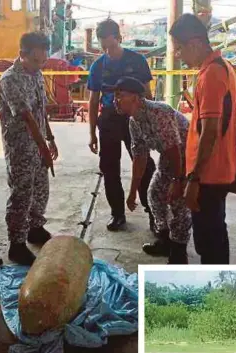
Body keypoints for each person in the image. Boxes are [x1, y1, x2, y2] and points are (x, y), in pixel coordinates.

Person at [169, 14, 236, 264]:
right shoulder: (225, 67)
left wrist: (194, 178)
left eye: (179, 48)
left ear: (196, 44)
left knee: (207, 241)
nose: (178, 54)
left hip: (208, 175)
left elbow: (209, 130)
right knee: (217, 234)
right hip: (221, 170)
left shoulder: (210, 75)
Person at [108, 76, 191, 264]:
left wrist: (178, 181)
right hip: (169, 155)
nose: (116, 101)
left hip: (188, 155)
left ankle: (179, 250)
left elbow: (174, 150)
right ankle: (164, 239)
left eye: (120, 96)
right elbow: (140, 157)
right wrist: (131, 194)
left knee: (178, 202)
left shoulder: (158, 113)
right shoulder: (134, 121)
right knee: (155, 194)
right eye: (115, 96)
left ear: (136, 98)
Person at [87, 18, 156, 232]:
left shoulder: (137, 61)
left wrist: (150, 123)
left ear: (119, 38)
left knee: (145, 166)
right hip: (108, 120)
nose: (108, 50)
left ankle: (153, 212)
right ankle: (117, 214)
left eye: (111, 44)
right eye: (103, 46)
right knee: (109, 168)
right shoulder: (98, 66)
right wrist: (92, 134)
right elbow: (93, 100)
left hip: (134, 117)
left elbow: (148, 94)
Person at [0, 32, 59, 265]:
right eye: (35, 60)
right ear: (21, 54)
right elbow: (26, 116)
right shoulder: (10, 79)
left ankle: (35, 227)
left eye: (43, 60)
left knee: (41, 189)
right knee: (22, 193)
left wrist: (50, 138)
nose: (39, 65)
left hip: (39, 144)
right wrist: (43, 147)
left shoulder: (37, 74)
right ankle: (17, 243)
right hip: (21, 148)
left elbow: (41, 111)